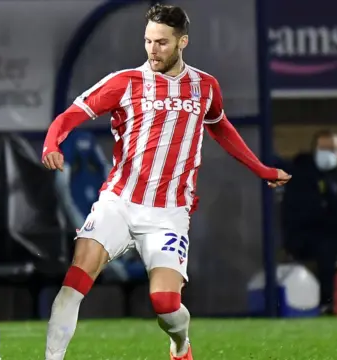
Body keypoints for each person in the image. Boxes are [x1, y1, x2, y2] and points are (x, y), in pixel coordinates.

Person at [41, 4, 291, 360]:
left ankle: (180, 345)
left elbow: (221, 127)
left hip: (169, 212)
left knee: (165, 304)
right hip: (119, 201)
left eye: (161, 42)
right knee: (75, 281)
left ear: (182, 42)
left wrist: (261, 169)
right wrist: (52, 143)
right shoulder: (124, 83)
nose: (152, 49)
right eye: (147, 41)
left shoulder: (204, 87)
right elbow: (69, 116)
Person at [282, 130, 337, 315]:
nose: (329, 153)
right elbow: (303, 211)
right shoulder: (300, 175)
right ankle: (326, 303)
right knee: (327, 249)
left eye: (333, 149)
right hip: (304, 235)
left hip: (332, 232)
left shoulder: (336, 177)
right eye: (324, 148)